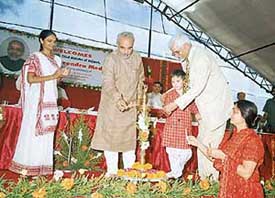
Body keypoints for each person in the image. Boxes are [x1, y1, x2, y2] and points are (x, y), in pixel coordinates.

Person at [164, 34, 233, 180]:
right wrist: (169, 93)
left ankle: (210, 183)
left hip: (215, 110)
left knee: (209, 147)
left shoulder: (200, 58)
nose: (175, 55)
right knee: (202, 145)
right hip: (205, 111)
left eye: (176, 51)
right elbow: (187, 86)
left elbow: (196, 87)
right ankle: (205, 181)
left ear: (185, 46)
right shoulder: (187, 59)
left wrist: (175, 104)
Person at [9, 30, 70, 176]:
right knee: (34, 133)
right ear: (41, 41)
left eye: (54, 41)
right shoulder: (35, 58)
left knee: (47, 134)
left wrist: (60, 76)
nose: (52, 44)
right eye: (49, 41)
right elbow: (30, 79)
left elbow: (55, 81)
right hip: (37, 101)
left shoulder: (57, 60)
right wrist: (53, 75)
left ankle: (43, 168)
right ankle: (27, 167)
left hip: (51, 100)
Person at [91, 32, 145, 176]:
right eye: (123, 48)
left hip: (131, 108)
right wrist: (118, 98)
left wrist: (139, 100)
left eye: (129, 48)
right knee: (111, 141)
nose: (126, 52)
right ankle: (112, 173)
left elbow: (141, 80)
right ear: (117, 45)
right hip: (112, 107)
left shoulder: (137, 58)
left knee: (129, 143)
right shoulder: (111, 59)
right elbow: (108, 83)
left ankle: (130, 174)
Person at [187, 100, 264, 198]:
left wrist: (224, 157)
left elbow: (246, 173)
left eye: (235, 112)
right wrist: (197, 143)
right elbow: (215, 159)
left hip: (245, 191)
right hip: (228, 189)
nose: (230, 113)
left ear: (245, 116)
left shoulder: (253, 140)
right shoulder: (230, 135)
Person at [162, 69, 199, 179]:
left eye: (178, 81)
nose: (175, 84)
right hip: (172, 127)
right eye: (173, 82)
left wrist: (197, 114)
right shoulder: (170, 94)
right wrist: (167, 109)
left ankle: (175, 171)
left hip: (184, 128)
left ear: (184, 81)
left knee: (187, 153)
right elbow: (166, 109)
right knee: (172, 152)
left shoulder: (188, 94)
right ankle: (176, 173)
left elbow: (193, 106)